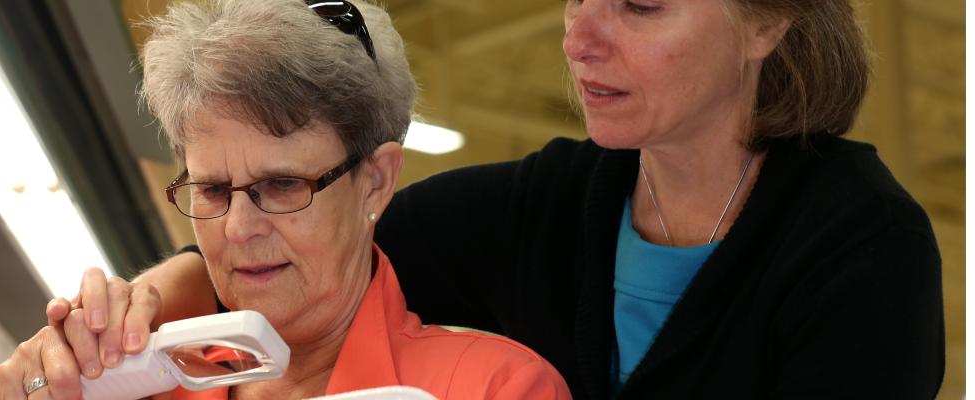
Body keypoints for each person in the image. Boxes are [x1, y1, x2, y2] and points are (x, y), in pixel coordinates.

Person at [56, 0, 947, 398]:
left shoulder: (861, 250)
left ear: (767, 22)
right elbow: (274, 251)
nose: (580, 36)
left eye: (639, 4)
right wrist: (111, 330)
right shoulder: (545, 204)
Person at [0, 0, 572, 399]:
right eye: (213, 190)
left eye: (283, 186)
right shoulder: (131, 385)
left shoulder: (493, 387)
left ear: (375, 184)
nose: (239, 228)